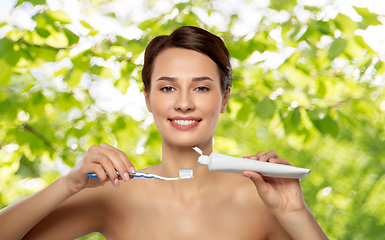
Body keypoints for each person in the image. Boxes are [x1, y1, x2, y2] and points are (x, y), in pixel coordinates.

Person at [0, 26, 329, 240]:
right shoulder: (113, 194)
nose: (184, 103)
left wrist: (294, 213)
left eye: (201, 88)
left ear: (224, 98)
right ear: (148, 98)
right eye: (168, 87)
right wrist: (66, 185)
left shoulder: (260, 198)